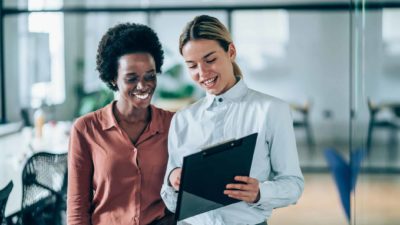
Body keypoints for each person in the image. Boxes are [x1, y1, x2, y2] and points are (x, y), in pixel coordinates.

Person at [161, 15, 304, 225]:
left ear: (231, 52)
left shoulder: (272, 110)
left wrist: (259, 192)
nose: (202, 73)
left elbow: (293, 185)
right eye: (192, 65)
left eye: (210, 60)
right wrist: (173, 179)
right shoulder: (183, 119)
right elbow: (171, 200)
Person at [68, 23, 175, 225]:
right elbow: (77, 206)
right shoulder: (86, 129)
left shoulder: (173, 124)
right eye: (131, 78)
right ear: (113, 78)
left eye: (150, 76)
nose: (143, 86)